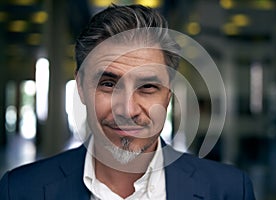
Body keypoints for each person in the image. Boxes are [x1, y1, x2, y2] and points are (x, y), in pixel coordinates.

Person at [0, 4, 255, 200]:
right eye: (108, 84)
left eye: (147, 87)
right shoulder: (20, 190)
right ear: (80, 87)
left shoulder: (229, 191)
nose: (127, 110)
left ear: (168, 95)